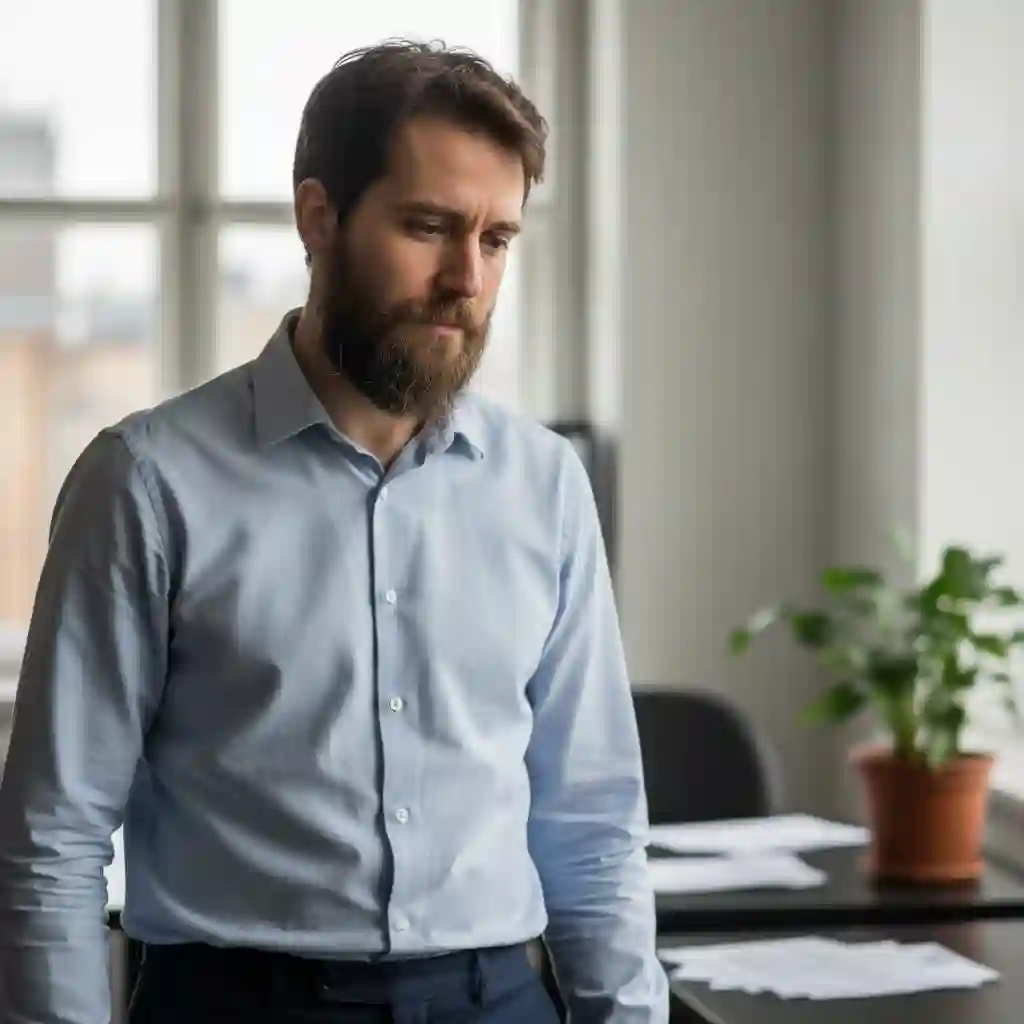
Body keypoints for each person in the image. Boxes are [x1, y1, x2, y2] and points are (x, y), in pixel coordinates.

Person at [0, 41, 668, 1024]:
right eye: (429, 227)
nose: (465, 278)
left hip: (500, 998)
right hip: (234, 1001)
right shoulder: (146, 480)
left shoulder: (544, 486)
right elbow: (53, 831)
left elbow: (592, 818)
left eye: (495, 240)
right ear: (319, 217)